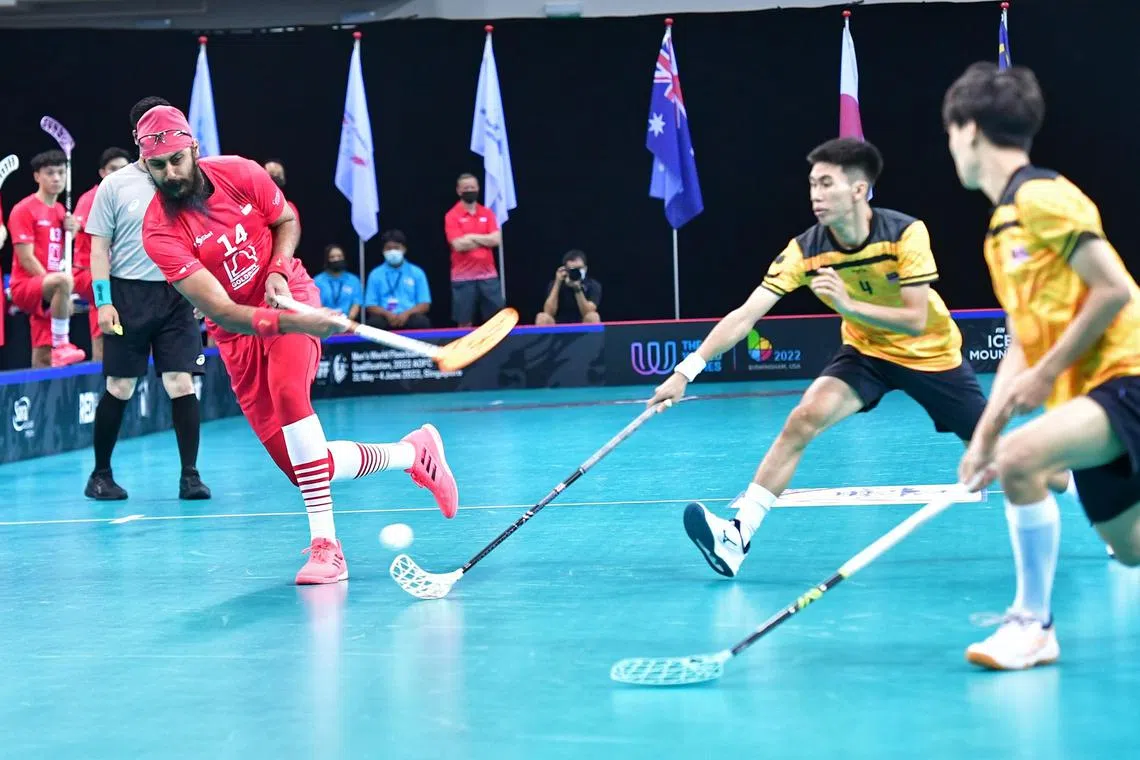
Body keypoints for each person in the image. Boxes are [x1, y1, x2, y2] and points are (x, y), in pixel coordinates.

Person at [648, 137, 1076, 579]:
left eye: (827, 184)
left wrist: (848, 305)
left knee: (999, 457)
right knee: (803, 418)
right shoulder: (806, 249)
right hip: (867, 352)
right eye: (812, 184)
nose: (816, 194)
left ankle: (1085, 488)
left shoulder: (906, 233)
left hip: (930, 354)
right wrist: (686, 370)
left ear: (858, 189)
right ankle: (738, 536)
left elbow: (913, 318)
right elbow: (745, 316)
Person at [136, 105, 459, 584]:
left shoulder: (240, 173)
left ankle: (328, 548)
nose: (170, 173)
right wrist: (288, 322)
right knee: (306, 467)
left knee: (291, 397)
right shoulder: (159, 230)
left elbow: (285, 219)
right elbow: (222, 312)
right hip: (242, 333)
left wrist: (279, 270)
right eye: (158, 166)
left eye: (176, 160)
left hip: (292, 297)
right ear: (146, 166)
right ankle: (413, 454)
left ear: (194, 150)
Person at [945, 62, 1140, 670]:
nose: (949, 146)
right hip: (1094, 390)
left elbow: (1114, 290)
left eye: (949, 132)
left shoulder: (1042, 196)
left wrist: (1046, 376)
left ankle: (1033, 623)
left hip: (1128, 374)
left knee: (1024, 461)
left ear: (969, 129)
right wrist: (984, 433)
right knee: (1131, 550)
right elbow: (1023, 342)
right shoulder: (1001, 228)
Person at [83, 97, 212, 502]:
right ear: (137, 136)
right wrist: (104, 302)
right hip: (127, 295)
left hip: (177, 293)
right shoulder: (115, 185)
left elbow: (204, 238)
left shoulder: (190, 176)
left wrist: (202, 290)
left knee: (181, 382)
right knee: (120, 386)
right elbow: (99, 250)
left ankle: (190, 476)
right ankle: (100, 475)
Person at [7, 150, 86, 367]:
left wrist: (74, 231)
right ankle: (62, 344)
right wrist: (58, 289)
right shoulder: (23, 209)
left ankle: (37, 398)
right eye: (50, 173)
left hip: (51, 287)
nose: (57, 178)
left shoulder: (61, 211)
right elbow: (26, 259)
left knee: (42, 352)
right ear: (37, 176)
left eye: (61, 172)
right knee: (64, 281)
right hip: (26, 285)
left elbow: (62, 255)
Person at [73, 148, 131, 362]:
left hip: (114, 274)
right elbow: (76, 227)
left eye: (123, 169)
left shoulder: (132, 199)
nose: (118, 174)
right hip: (88, 273)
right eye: (112, 169)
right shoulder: (91, 198)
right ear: (102, 173)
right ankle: (101, 372)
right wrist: (72, 227)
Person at [444, 173, 504, 327]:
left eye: (472, 187)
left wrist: (470, 236)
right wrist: (484, 239)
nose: (470, 190)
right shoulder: (452, 215)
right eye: (466, 188)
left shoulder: (487, 213)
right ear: (459, 191)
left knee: (496, 321)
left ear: (478, 189)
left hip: (488, 276)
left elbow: (496, 240)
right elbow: (458, 245)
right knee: (464, 321)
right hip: (463, 278)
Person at [364, 229, 432, 330]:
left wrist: (406, 314)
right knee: (374, 323)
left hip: (409, 315)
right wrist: (387, 314)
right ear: (383, 251)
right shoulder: (375, 274)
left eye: (396, 248)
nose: (392, 251)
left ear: (404, 249)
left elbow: (425, 304)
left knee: (421, 322)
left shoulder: (417, 272)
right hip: (385, 316)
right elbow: (370, 305)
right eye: (389, 248)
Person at [536, 249, 602, 325]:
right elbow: (548, 311)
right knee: (542, 317)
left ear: (585, 269)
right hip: (559, 326)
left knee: (593, 316)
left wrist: (577, 289)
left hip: (582, 326)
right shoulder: (556, 283)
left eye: (579, 268)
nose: (576, 272)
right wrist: (557, 283)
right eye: (573, 269)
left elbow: (588, 312)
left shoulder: (593, 285)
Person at [313, 244, 362, 322]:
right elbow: (316, 305)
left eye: (339, 256)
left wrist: (347, 321)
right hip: (324, 322)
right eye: (332, 257)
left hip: (347, 322)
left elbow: (356, 304)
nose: (336, 259)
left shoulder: (353, 280)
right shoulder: (317, 280)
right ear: (326, 260)